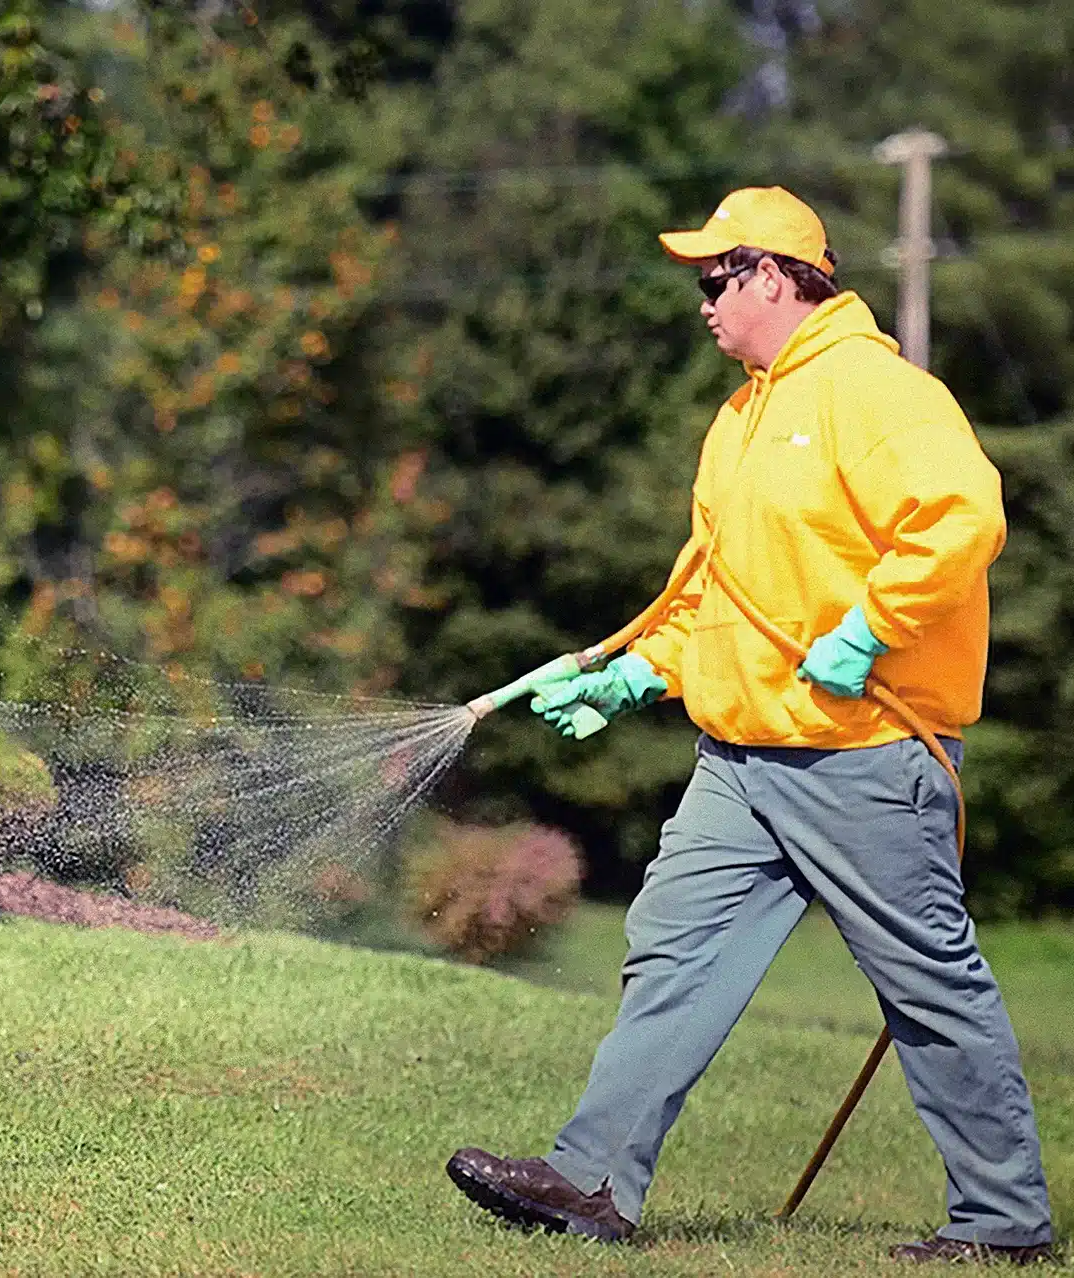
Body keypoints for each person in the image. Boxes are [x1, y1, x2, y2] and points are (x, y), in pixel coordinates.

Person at [445, 187, 1054, 1265]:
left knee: (927, 988)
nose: (702, 303)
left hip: (866, 754)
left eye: (713, 280)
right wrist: (634, 678)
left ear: (773, 274)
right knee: (670, 952)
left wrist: (871, 629)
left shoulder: (875, 390)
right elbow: (720, 599)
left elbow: (965, 515)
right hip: (742, 760)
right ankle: (592, 1182)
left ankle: (1003, 1221)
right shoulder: (743, 415)